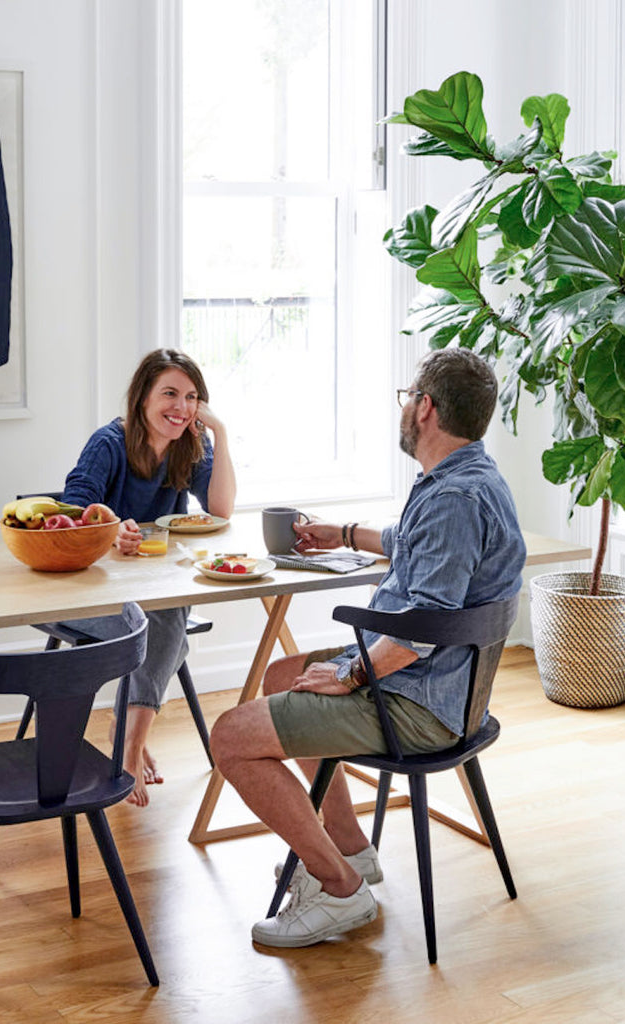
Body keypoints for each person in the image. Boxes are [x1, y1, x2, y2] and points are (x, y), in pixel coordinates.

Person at [209, 348, 526, 948]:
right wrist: (347, 534)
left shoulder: (453, 500)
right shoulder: (468, 479)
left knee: (229, 737)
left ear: (425, 408)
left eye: (408, 396)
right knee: (282, 675)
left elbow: (418, 628)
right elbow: (421, 547)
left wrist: (353, 674)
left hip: (421, 704)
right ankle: (351, 847)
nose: (405, 407)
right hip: (449, 690)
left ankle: (339, 889)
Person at [61, 348, 236, 806]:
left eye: (192, 397)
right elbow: (75, 503)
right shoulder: (109, 443)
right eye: (170, 394)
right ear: (142, 398)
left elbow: (220, 510)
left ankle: (126, 732)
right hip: (91, 595)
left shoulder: (189, 446)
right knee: (168, 631)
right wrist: (111, 527)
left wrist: (220, 433)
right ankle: (132, 747)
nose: (181, 407)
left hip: (155, 591)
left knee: (166, 617)